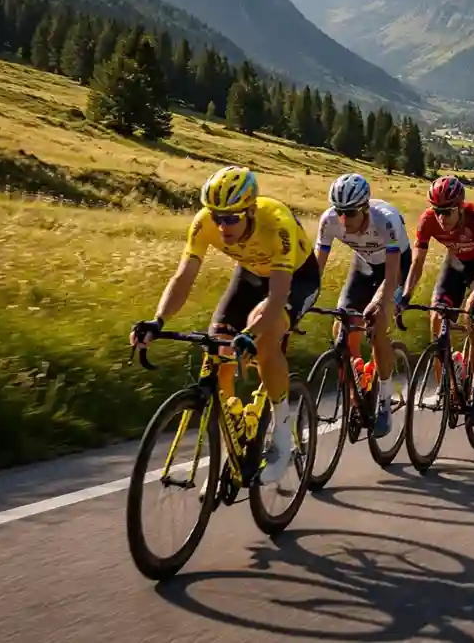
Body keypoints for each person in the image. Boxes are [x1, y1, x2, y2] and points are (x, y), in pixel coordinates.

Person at [131, 166, 318, 481]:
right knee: (217, 347)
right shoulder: (204, 223)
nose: (221, 226)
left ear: (249, 210)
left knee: (265, 338)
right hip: (249, 274)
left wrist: (250, 334)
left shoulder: (277, 224)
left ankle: (283, 435)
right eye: (216, 216)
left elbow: (276, 298)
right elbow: (184, 277)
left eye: (231, 218)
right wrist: (158, 320)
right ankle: (232, 447)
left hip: (295, 278)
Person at [314, 173, 409, 437]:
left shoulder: (385, 221)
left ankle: (384, 403)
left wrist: (379, 302)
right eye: (340, 212)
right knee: (341, 329)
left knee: (377, 325)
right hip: (364, 265)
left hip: (395, 267)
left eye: (351, 213)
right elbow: (314, 272)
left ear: (365, 207)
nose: (344, 219)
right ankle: (358, 396)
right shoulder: (329, 221)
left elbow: (392, 276)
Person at [401, 176, 474, 426]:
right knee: (436, 317)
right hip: (454, 264)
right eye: (437, 211)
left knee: (472, 318)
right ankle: (444, 388)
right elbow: (417, 263)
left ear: (460, 206)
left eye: (446, 212)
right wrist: (405, 296)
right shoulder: (428, 220)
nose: (441, 218)